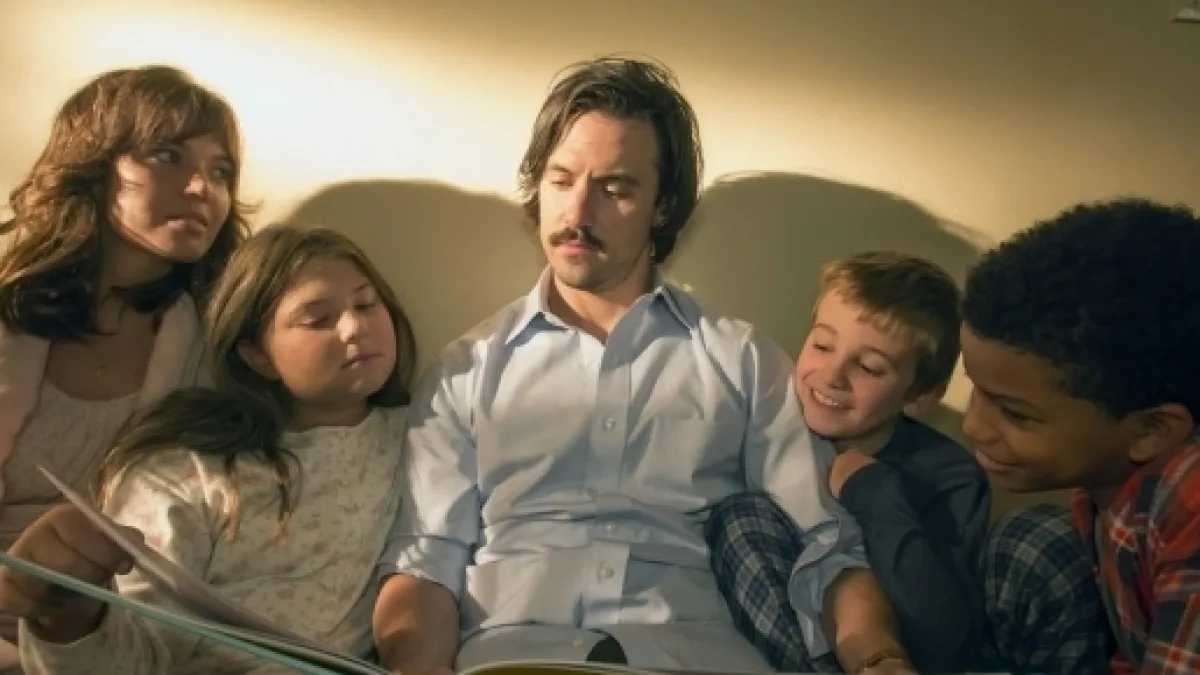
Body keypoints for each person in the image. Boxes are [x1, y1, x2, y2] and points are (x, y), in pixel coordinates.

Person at [372, 56, 913, 675]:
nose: (578, 213)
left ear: (663, 206)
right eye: (561, 180)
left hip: (697, 659)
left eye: (615, 189)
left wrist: (879, 660)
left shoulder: (742, 360)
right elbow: (425, 563)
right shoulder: (464, 372)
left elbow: (827, 546)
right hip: (518, 655)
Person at [0, 223, 418, 674]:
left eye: (366, 304)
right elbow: (131, 656)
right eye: (318, 319)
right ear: (257, 355)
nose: (355, 327)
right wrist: (70, 616)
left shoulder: (424, 439)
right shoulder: (187, 470)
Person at [0, 65, 249, 661]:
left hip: (118, 636)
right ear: (93, 167)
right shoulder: (9, 317)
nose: (202, 188)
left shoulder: (223, 347)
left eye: (221, 172)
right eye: (168, 156)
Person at [707, 252, 990, 672]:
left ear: (920, 396)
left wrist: (872, 491)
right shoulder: (762, 425)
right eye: (822, 345)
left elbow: (942, 641)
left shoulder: (950, 476)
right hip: (776, 651)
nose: (833, 374)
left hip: (900, 660)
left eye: (869, 367)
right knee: (743, 514)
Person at [961, 198, 1200, 673]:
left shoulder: (1188, 501)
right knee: (1033, 539)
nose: (973, 426)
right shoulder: (1106, 491)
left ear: (1151, 430)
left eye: (1014, 413)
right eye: (976, 390)